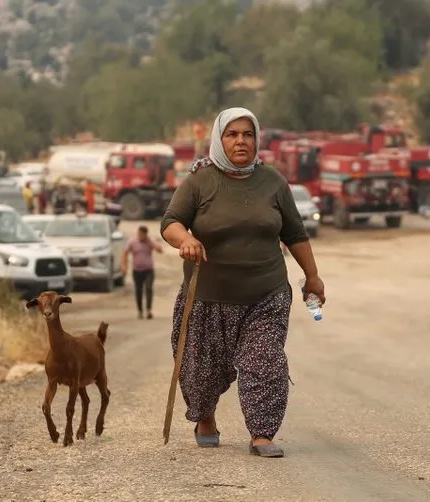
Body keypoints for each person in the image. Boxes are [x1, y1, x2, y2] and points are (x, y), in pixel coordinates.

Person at [160, 107, 326, 459]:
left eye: (247, 134)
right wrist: (184, 240)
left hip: (265, 295)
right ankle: (205, 416)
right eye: (232, 134)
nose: (240, 141)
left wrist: (312, 276)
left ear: (257, 140)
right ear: (219, 140)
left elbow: (295, 233)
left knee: (264, 360)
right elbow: (171, 222)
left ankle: (262, 433)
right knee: (200, 372)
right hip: (208, 297)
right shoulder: (199, 183)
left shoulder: (273, 183)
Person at [122, 225, 162, 319]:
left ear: (145, 234)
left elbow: (160, 250)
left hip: (148, 270)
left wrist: (151, 242)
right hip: (137, 270)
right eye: (139, 234)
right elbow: (125, 253)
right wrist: (124, 266)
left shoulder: (149, 241)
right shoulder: (132, 241)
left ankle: (149, 310)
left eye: (143, 234)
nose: (141, 236)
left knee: (148, 289)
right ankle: (140, 311)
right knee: (138, 290)